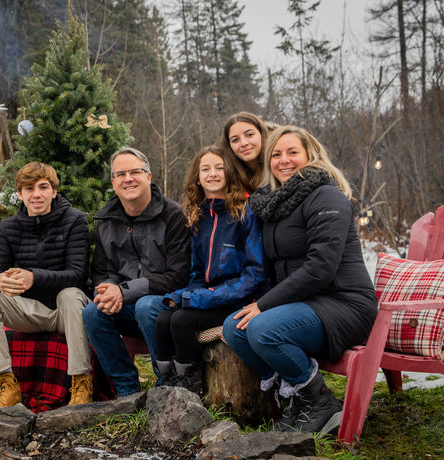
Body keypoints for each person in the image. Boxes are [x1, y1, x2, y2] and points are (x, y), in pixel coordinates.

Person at [222, 125, 378, 435]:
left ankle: (320, 401)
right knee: (234, 328)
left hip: (344, 305)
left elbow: (320, 268)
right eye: (276, 154)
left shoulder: (327, 195)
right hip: (306, 303)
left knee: (264, 329)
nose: (284, 161)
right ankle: (297, 395)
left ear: (311, 155)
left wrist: (264, 305)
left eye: (293, 152)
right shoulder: (274, 203)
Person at [0, 161, 93, 412]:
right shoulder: (9, 227)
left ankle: (81, 382)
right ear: (19, 194)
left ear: (54, 191)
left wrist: (34, 277)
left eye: (43, 187)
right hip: (27, 311)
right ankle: (6, 384)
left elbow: (78, 275)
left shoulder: (74, 221)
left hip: (66, 312)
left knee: (71, 294)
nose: (36, 194)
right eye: (29, 188)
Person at [153, 146, 266, 394]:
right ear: (197, 176)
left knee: (183, 320)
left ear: (230, 173)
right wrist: (183, 295)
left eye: (219, 168)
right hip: (208, 297)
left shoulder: (245, 214)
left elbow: (254, 274)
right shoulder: (199, 217)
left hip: (238, 300)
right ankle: (167, 382)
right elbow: (196, 273)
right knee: (163, 319)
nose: (212, 174)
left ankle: (190, 385)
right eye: (205, 169)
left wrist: (202, 298)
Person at [82, 147, 190, 398]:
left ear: (149, 177)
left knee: (146, 306)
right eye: (120, 174)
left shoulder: (172, 215)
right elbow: (100, 271)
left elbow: (178, 275)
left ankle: (166, 383)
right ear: (113, 182)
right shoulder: (106, 221)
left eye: (135, 172)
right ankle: (126, 389)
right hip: (126, 303)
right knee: (92, 312)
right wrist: (108, 290)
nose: (128, 179)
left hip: (169, 303)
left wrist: (124, 291)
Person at [219, 112, 277, 193]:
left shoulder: (281, 167)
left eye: (249, 135)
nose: (243, 143)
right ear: (229, 146)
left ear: (262, 134)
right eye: (235, 140)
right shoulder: (226, 178)